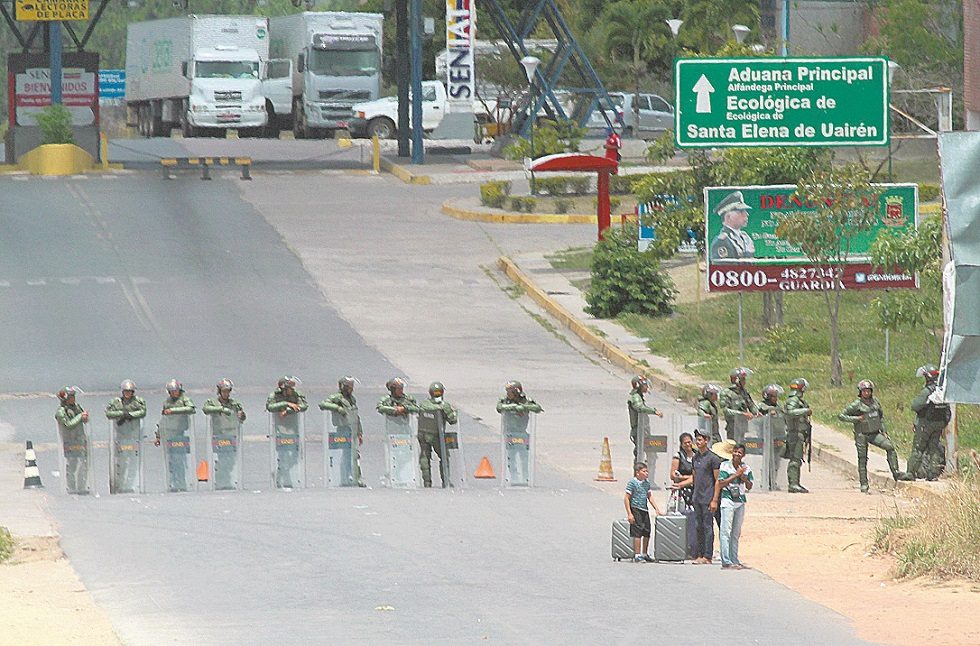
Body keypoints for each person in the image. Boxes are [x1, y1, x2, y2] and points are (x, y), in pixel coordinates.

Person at [839, 379, 913, 493]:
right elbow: (841, 415)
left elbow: (880, 417)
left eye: (868, 391)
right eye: (864, 391)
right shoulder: (856, 404)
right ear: (860, 392)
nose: (866, 393)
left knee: (890, 447)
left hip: (874, 433)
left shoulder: (875, 402)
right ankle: (864, 484)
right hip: (861, 434)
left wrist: (884, 430)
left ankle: (896, 473)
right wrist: (857, 419)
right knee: (862, 459)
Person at [713, 441, 754, 570]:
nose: (737, 454)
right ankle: (726, 560)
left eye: (739, 452)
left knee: (736, 532)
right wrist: (735, 475)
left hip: (740, 501)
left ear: (743, 455)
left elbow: (749, 486)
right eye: (735, 451)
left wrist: (743, 477)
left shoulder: (746, 468)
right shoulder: (725, 466)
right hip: (727, 500)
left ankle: (734, 558)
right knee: (726, 531)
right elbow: (721, 483)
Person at [319, 376, 365, 487]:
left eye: (352, 387)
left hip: (352, 428)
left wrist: (360, 432)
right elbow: (323, 404)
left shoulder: (352, 399)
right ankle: (346, 476)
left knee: (354, 454)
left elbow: (356, 416)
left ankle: (355, 477)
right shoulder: (337, 397)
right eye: (349, 387)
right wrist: (338, 408)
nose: (351, 389)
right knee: (346, 454)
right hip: (343, 428)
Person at [907, 365, 951, 481]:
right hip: (939, 423)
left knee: (918, 448)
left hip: (926, 423)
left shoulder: (928, 391)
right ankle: (933, 475)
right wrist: (943, 424)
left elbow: (915, 405)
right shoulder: (942, 390)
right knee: (934, 448)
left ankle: (911, 473)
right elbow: (948, 411)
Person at [496, 381, 543, 485]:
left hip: (522, 432)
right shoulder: (505, 401)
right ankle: (513, 478)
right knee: (511, 457)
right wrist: (514, 407)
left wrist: (524, 407)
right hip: (509, 433)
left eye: (510, 391)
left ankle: (526, 477)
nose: (508, 393)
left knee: (524, 457)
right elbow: (499, 407)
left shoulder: (525, 400)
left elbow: (537, 408)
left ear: (516, 391)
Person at [202, 378, 246, 491]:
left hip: (231, 434)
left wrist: (241, 415)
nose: (226, 394)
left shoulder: (234, 404)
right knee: (221, 460)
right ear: (219, 391)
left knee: (230, 461)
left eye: (228, 391)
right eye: (224, 391)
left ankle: (228, 481)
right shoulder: (212, 402)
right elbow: (206, 409)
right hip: (219, 434)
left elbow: (242, 417)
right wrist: (221, 409)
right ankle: (220, 481)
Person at [105, 379, 147, 494]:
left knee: (134, 463)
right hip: (120, 436)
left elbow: (143, 411)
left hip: (134, 435)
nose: (128, 394)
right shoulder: (116, 402)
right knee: (122, 463)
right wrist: (121, 415)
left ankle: (132, 485)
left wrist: (130, 415)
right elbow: (108, 413)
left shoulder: (138, 401)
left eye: (130, 391)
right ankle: (120, 485)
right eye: (126, 391)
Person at [266, 376, 307, 488]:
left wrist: (288, 411)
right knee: (283, 455)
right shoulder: (275, 395)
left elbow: (303, 406)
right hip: (280, 429)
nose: (291, 390)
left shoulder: (296, 394)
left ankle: (284, 472)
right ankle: (282, 480)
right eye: (289, 388)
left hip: (294, 428)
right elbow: (270, 406)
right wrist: (286, 404)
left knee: (295, 456)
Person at [416, 381, 458, 488]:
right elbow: (453, 420)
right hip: (436, 435)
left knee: (425, 456)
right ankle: (445, 481)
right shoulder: (444, 406)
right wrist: (455, 412)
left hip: (422, 433)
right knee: (444, 456)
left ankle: (427, 482)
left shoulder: (424, 404)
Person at [157, 379, 196, 492]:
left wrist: (173, 411)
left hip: (181, 433)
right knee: (172, 461)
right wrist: (159, 435)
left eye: (175, 391)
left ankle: (182, 483)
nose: (174, 393)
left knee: (181, 460)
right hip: (169, 433)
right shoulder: (167, 402)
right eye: (171, 391)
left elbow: (191, 408)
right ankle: (173, 483)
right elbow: (163, 420)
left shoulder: (185, 399)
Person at [691, 430, 722, 564]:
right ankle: (700, 553)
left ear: (706, 441)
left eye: (700, 440)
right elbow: (694, 477)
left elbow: (717, 480)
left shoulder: (713, 458)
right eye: (696, 440)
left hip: (708, 497)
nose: (698, 442)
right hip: (697, 497)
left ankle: (708, 556)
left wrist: (714, 499)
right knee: (698, 526)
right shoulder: (695, 457)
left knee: (708, 526)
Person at [624, 462, 664, 563]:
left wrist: (656, 508)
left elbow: (649, 496)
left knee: (646, 531)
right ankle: (637, 554)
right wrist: (629, 513)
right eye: (644, 471)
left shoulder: (646, 483)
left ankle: (645, 553)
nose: (646, 473)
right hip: (635, 508)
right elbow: (627, 498)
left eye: (647, 471)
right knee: (637, 532)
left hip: (644, 509)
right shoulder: (632, 483)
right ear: (638, 473)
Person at [55, 386, 90, 494]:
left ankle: (82, 486)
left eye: (73, 396)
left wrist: (85, 417)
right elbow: (68, 424)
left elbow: (84, 418)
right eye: (70, 397)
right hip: (69, 440)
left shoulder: (76, 407)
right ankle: (71, 487)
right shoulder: (61, 411)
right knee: (72, 464)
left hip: (80, 439)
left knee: (83, 463)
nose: (73, 399)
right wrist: (80, 416)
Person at [670, 432, 697, 558]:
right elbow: (673, 475)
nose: (688, 444)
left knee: (695, 520)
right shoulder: (678, 456)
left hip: (695, 491)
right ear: (681, 444)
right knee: (683, 518)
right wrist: (689, 478)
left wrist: (684, 477)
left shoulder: (697, 456)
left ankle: (694, 548)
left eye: (690, 441)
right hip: (682, 493)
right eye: (685, 442)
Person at [782, 378, 812, 493]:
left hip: (800, 433)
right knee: (795, 459)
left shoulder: (798, 401)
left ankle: (796, 482)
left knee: (797, 459)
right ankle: (793, 484)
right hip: (794, 433)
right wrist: (805, 411)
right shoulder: (793, 401)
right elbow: (790, 412)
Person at [709, 190, 755, 261]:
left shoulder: (746, 238)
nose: (746, 214)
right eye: (741, 211)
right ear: (728, 217)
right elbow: (725, 269)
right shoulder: (721, 241)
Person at [628, 375, 664, 460]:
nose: (646, 387)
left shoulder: (639, 396)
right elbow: (640, 407)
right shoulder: (636, 397)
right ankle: (638, 471)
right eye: (645, 385)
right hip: (638, 430)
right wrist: (654, 411)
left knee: (651, 453)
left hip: (643, 429)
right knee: (640, 453)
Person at [721, 368, 758, 442]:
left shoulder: (744, 392)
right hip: (732, 425)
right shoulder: (726, 393)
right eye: (743, 379)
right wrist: (742, 414)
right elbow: (725, 410)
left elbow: (751, 404)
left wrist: (756, 412)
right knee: (732, 446)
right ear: (737, 380)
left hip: (743, 425)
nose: (745, 382)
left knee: (741, 446)